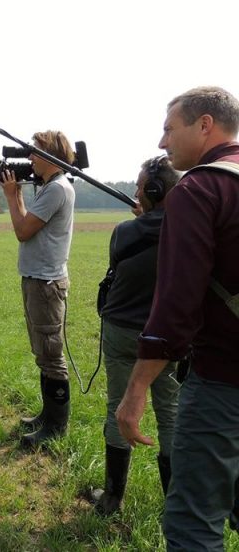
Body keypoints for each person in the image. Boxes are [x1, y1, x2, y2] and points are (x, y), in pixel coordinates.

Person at [116, 86, 239, 549]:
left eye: (170, 128)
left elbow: (175, 309)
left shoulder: (199, 189)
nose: (163, 142)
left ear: (204, 125)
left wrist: (136, 389)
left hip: (222, 382)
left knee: (194, 523)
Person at [90, 156, 181, 516]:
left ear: (151, 191)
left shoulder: (123, 231)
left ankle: (112, 499)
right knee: (170, 413)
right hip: (168, 337)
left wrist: (142, 218)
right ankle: (174, 504)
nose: (136, 190)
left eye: (141, 185)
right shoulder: (188, 230)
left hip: (122, 332)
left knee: (117, 408)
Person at [0, 130, 76, 449]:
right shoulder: (53, 187)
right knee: (43, 353)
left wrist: (11, 195)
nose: (29, 157)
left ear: (51, 155)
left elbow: (22, 230)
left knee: (51, 355)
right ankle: (48, 415)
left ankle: (56, 427)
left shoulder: (57, 189)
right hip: (38, 279)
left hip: (45, 284)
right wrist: (17, 193)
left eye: (34, 151)